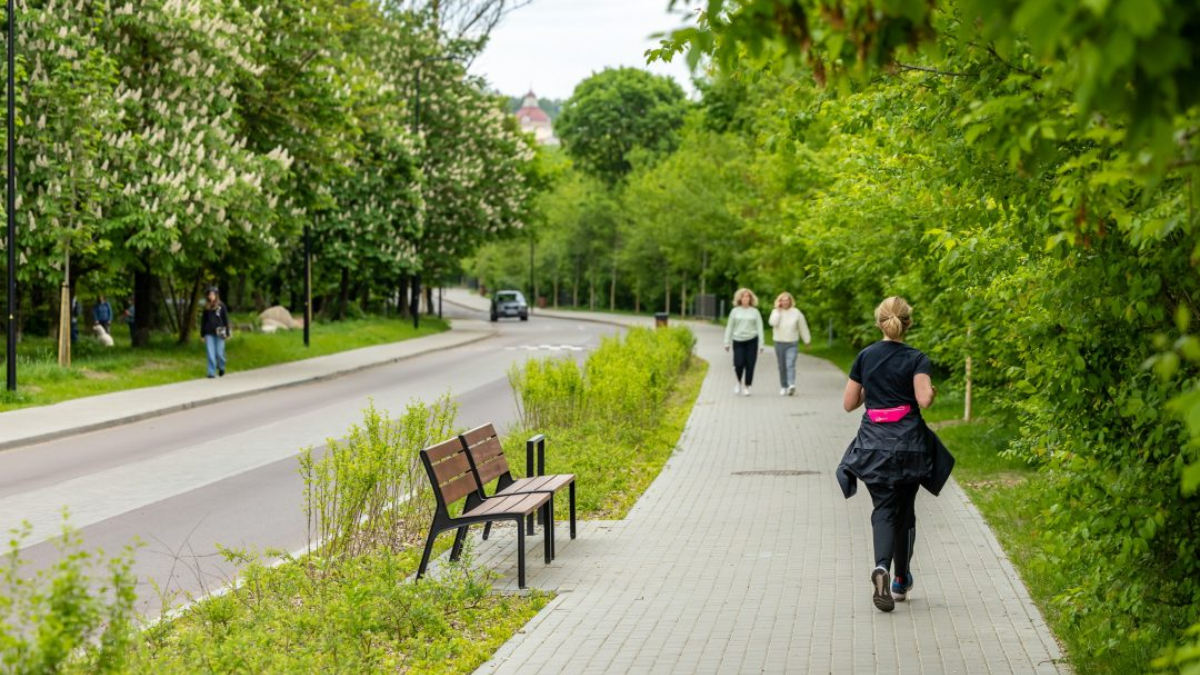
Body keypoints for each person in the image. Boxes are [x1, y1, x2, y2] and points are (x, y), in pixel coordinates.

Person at [836, 296, 953, 613]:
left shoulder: (865, 356)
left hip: (873, 446)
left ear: (879, 322)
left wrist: (870, 390)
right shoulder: (916, 358)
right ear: (908, 323)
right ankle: (901, 580)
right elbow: (924, 400)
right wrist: (931, 391)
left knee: (884, 509)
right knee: (906, 510)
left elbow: (849, 403)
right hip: (908, 446)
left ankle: (882, 568)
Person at [768, 292, 812, 396]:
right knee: (782, 366)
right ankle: (783, 386)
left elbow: (803, 327)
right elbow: (772, 323)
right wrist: (778, 312)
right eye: (782, 300)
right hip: (779, 342)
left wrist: (807, 341)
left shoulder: (796, 312)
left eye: (787, 300)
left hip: (792, 343)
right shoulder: (775, 312)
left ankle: (791, 384)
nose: (785, 302)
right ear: (779, 302)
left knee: (790, 364)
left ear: (790, 301)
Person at [723, 288, 764, 396]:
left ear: (750, 298)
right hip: (738, 340)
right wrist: (726, 342)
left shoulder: (755, 312)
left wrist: (761, 344)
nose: (745, 298)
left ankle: (747, 386)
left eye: (747, 296)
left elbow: (760, 327)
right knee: (739, 364)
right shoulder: (735, 311)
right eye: (743, 296)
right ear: (739, 298)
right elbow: (729, 327)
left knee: (750, 364)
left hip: (752, 340)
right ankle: (738, 382)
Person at [199, 286, 231, 378]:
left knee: (219, 353)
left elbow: (225, 320)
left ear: (216, 295)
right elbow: (203, 321)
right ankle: (211, 372)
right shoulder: (206, 307)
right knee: (210, 353)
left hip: (220, 331)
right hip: (209, 332)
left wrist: (227, 333)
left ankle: (221, 366)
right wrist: (202, 334)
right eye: (209, 294)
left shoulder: (221, 306)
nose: (210, 296)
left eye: (212, 294)